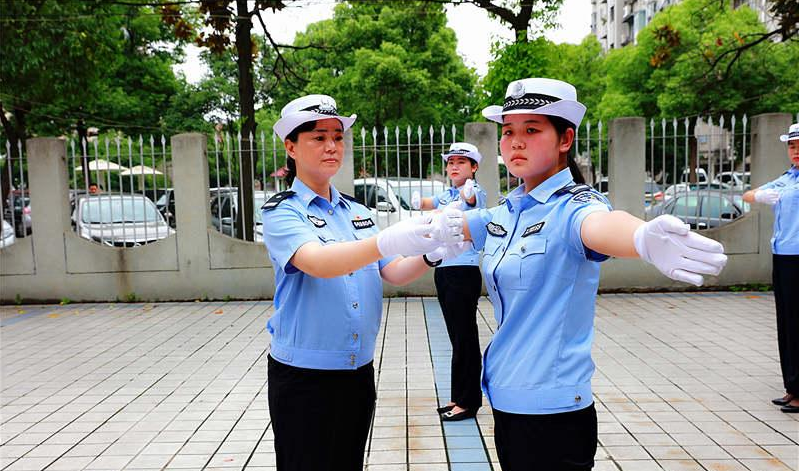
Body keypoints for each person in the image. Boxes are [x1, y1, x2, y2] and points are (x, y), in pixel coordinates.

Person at [459, 78, 729, 470]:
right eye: (508, 131)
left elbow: (598, 224)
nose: (516, 142)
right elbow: (470, 223)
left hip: (554, 413)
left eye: (531, 130)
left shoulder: (575, 205)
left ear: (565, 139)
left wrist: (640, 237)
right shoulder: (510, 209)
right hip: (505, 398)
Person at [260, 94, 464, 471]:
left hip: (357, 371)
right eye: (318, 138)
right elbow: (317, 262)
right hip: (305, 376)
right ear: (291, 147)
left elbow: (391, 271)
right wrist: (386, 241)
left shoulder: (356, 211)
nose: (332, 146)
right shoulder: (282, 211)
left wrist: (432, 253)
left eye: (337, 137)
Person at [411, 142, 488, 421]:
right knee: (457, 338)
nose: (454, 166)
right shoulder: (446, 194)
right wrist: (420, 203)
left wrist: (467, 191)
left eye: (461, 162)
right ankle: (459, 397)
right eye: (451, 162)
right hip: (443, 269)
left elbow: (470, 200)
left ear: (474, 167)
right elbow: (428, 204)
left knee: (465, 337)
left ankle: (468, 402)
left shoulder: (475, 192)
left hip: (463, 272)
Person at [743, 122, 799, 414]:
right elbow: (749, 195)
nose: (796, 151)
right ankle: (793, 387)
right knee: (787, 323)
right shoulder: (788, 179)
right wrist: (761, 195)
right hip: (784, 256)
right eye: (792, 145)